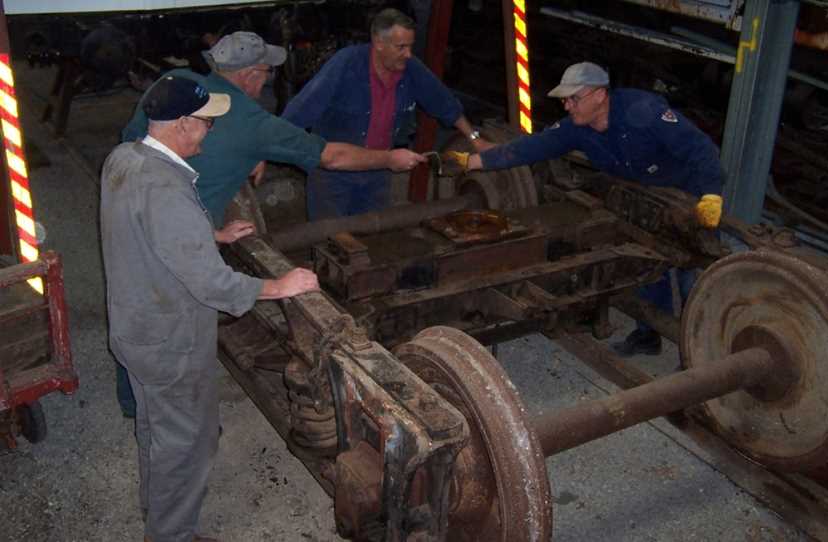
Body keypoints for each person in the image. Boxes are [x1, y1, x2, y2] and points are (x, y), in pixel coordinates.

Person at [117, 30, 426, 418]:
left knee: (134, 309)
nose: (267, 80)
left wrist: (213, 225)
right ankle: (165, 418)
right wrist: (389, 159)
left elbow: (131, 143)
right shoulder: (254, 123)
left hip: (131, 217)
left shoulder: (171, 88)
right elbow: (333, 156)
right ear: (250, 75)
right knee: (171, 324)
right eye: (266, 71)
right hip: (176, 252)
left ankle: (132, 401)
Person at [102, 75, 320, 542]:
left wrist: (209, 237)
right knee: (187, 444)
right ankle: (172, 535)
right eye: (205, 123)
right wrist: (279, 285)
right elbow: (212, 284)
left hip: (134, 329)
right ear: (181, 124)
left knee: (154, 427)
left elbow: (145, 230)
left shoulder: (125, 159)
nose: (210, 131)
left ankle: (157, 513)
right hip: (169, 342)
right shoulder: (167, 188)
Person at [451, 62, 724, 357]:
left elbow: (700, 149)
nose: (567, 106)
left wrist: (711, 195)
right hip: (642, 198)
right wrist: (473, 163)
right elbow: (530, 148)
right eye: (565, 100)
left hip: (687, 197)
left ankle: (701, 354)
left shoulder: (644, 112)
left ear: (598, 95)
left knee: (693, 277)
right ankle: (649, 336)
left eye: (573, 98)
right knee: (648, 268)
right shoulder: (577, 129)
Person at [281, 8, 493, 220]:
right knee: (328, 241)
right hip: (333, 176)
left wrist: (475, 139)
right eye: (401, 47)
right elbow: (299, 111)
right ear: (379, 43)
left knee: (374, 238)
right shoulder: (346, 64)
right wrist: (266, 149)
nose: (408, 54)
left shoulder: (411, 68)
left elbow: (444, 103)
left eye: (410, 46)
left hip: (378, 173)